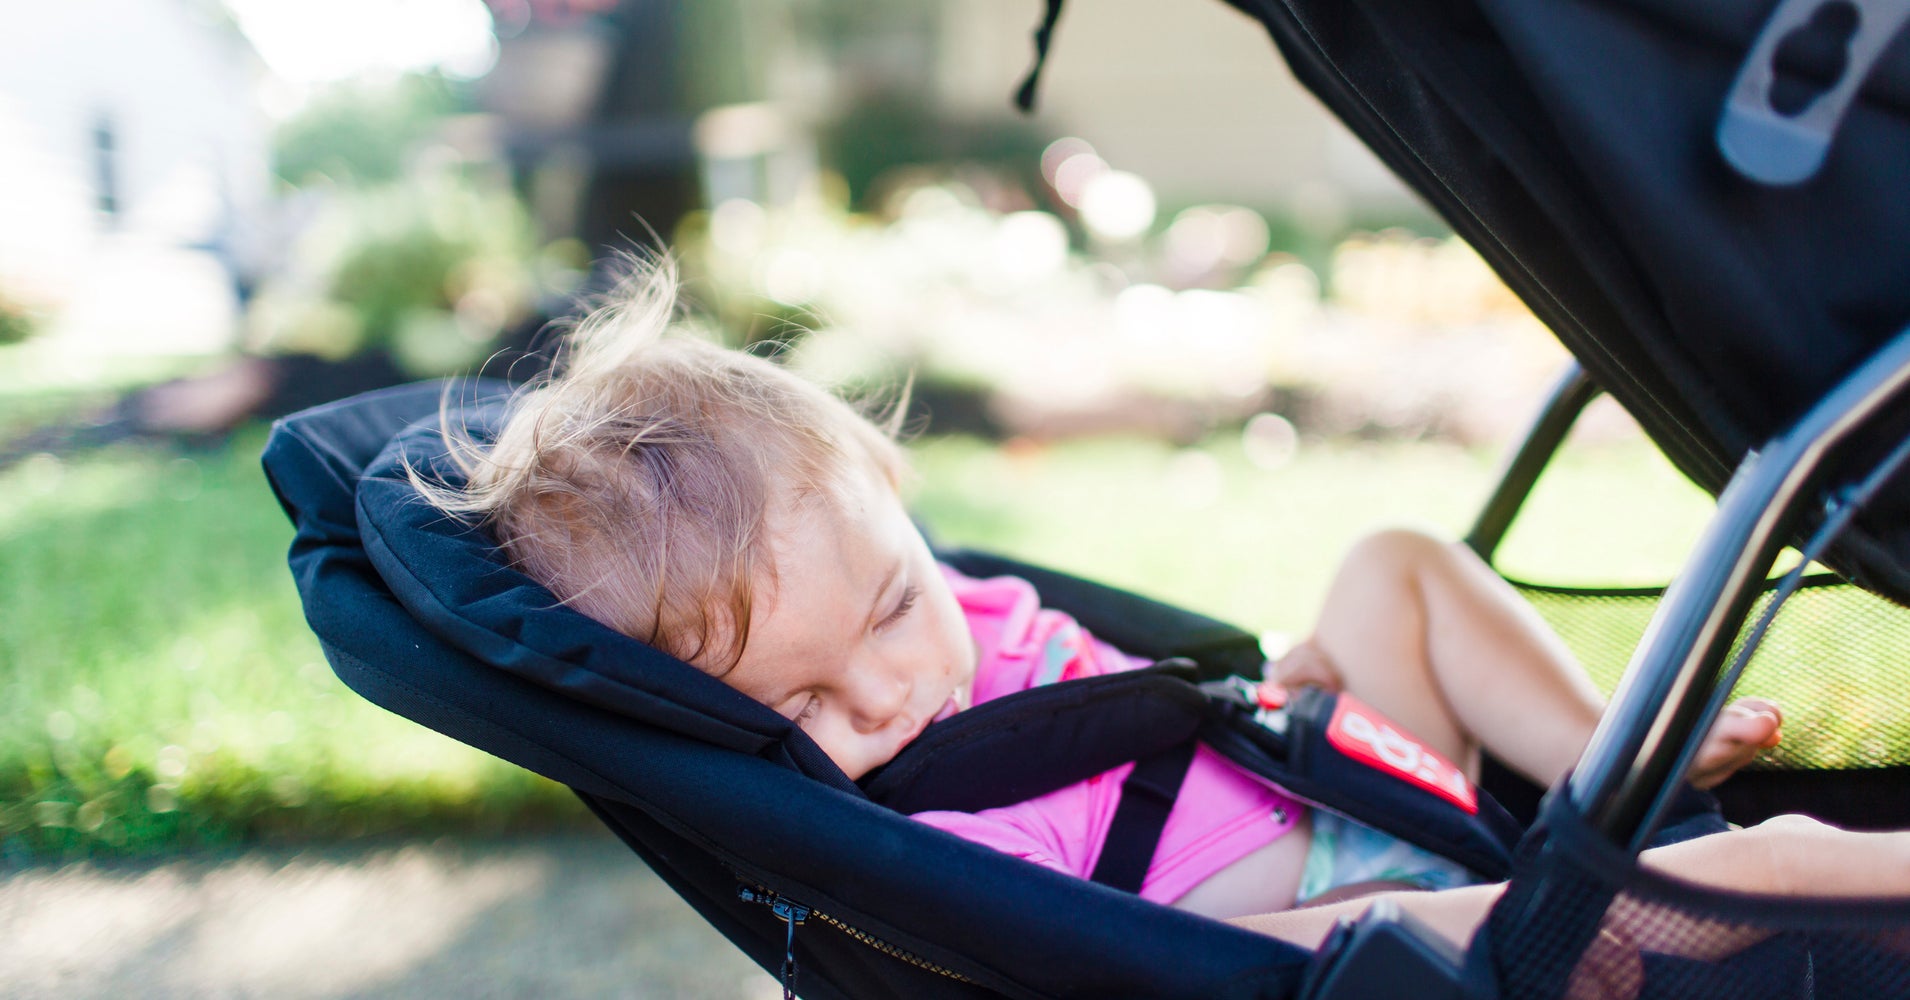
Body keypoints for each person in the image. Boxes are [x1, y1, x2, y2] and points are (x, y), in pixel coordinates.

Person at [417, 256, 1899, 954]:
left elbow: (1125, 696)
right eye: (798, 703)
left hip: (1319, 778)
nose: (881, 696)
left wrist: (1286, 700)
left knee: (1390, 565)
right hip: (1351, 935)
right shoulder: (921, 848)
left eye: (884, 609)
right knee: (1762, 871)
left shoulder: (953, 605)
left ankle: (1609, 768)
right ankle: (1635, 888)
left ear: (899, 502)